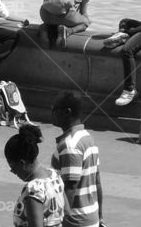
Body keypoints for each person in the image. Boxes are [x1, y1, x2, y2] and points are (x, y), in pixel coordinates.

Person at [51, 91, 103, 227]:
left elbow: (70, 187)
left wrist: (58, 220)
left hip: (75, 221)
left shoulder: (70, 145)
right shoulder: (88, 139)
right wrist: (100, 216)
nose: (52, 113)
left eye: (55, 109)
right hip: (91, 218)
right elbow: (97, 183)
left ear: (67, 112)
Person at [5, 123, 65, 227]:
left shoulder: (34, 189)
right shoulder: (55, 175)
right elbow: (67, 212)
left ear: (22, 163)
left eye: (13, 168)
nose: (13, 172)